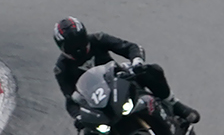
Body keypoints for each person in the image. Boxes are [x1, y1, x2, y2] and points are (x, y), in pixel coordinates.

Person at [52, 15, 199, 128]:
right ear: (62, 48)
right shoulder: (61, 69)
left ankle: (174, 104)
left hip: (120, 80)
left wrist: (137, 62)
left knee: (152, 71)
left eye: (79, 42)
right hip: (98, 105)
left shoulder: (98, 39)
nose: (77, 49)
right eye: (71, 46)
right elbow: (70, 100)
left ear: (85, 36)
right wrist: (78, 117)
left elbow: (131, 47)